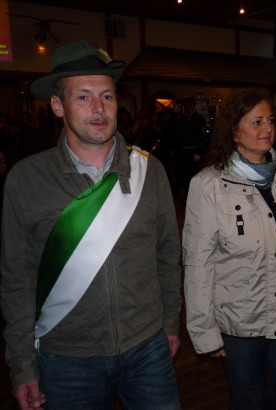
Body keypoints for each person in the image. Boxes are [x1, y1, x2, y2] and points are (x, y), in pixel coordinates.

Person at [0, 40, 182, 410]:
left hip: (147, 347)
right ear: (57, 106)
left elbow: (168, 256)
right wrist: (22, 364)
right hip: (67, 358)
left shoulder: (149, 170)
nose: (99, 108)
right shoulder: (26, 179)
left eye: (107, 96)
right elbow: (17, 279)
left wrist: (170, 323)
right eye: (83, 97)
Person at [183, 90, 276, 410]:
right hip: (240, 320)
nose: (267, 128)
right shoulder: (209, 185)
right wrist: (204, 331)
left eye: (270, 120)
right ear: (233, 131)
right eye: (256, 122)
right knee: (247, 399)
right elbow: (198, 264)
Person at [177, 96, 207, 191]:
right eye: (186, 106)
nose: (188, 108)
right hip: (183, 150)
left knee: (193, 173)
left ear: (194, 106)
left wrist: (199, 152)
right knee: (184, 173)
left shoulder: (199, 118)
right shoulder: (182, 118)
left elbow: (201, 136)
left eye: (190, 106)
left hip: (194, 150)